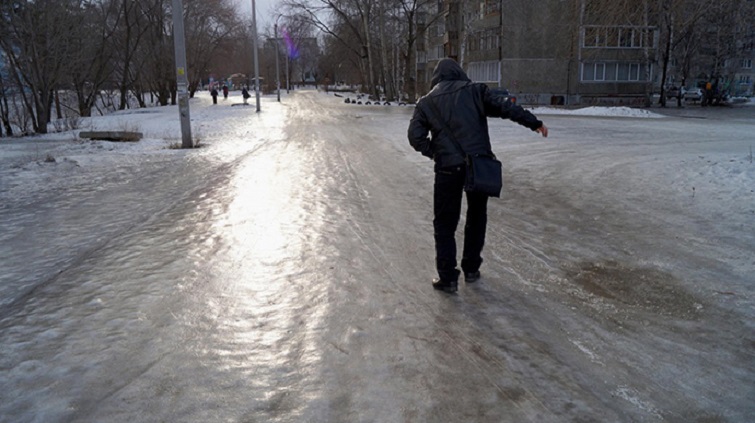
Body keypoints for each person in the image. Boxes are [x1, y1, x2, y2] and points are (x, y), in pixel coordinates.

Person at [407, 58, 548, 293]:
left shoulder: (426, 102)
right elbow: (506, 108)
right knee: (476, 216)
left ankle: (448, 278)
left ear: (436, 78)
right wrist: (534, 123)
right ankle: (471, 269)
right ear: (459, 73)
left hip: (447, 169)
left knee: (445, 223)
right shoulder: (475, 91)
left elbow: (415, 137)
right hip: (478, 165)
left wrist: (437, 154)